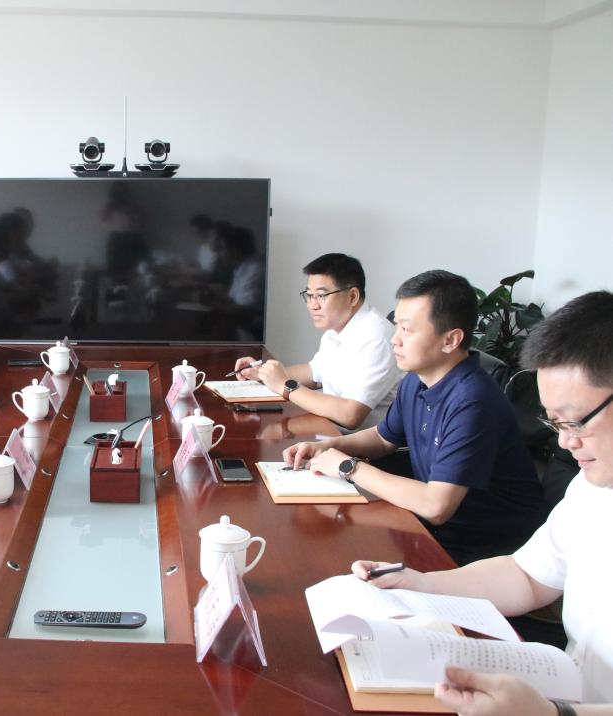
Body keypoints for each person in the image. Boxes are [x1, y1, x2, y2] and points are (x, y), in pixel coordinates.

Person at [352, 290, 613, 715]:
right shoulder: (592, 490)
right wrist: (422, 585)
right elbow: (526, 576)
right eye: (555, 423)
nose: (565, 442)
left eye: (576, 421)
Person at [285, 270, 547, 564]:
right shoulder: (417, 379)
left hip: (486, 549)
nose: (394, 340)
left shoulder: (473, 402)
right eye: (396, 326)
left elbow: (437, 506)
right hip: (434, 530)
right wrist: (328, 446)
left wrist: (347, 466)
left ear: (450, 340)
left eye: (407, 330)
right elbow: (383, 438)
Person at [235, 253, 401, 431]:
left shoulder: (376, 337)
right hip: (328, 432)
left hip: (358, 443)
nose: (312, 305)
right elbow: (314, 374)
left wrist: (284, 385)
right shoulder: (337, 328)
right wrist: (263, 374)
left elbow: (350, 415)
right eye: (309, 295)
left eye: (321, 296)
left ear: (352, 296)